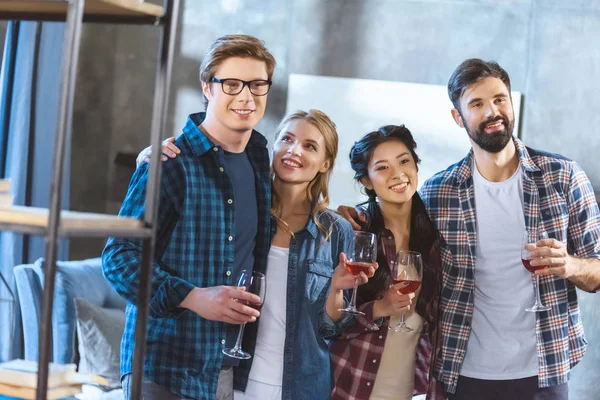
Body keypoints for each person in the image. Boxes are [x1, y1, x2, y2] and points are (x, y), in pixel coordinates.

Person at [337, 59, 600, 400]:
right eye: (477, 104)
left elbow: (596, 270)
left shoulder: (563, 176)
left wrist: (571, 265)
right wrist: (344, 214)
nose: (492, 111)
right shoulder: (437, 191)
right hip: (462, 372)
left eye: (499, 99)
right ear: (458, 118)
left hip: (544, 369)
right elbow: (389, 213)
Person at [137, 109, 374, 399]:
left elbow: (330, 326)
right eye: (286, 139)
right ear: (273, 146)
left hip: (303, 386)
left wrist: (337, 289)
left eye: (309, 146)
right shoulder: (244, 209)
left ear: (325, 163)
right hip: (232, 380)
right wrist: (150, 159)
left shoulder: (336, 230)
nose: (293, 150)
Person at [102, 34, 276, 400]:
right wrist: (192, 296)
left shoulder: (261, 160)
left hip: (222, 368)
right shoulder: (169, 163)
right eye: (232, 84)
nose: (246, 96)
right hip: (163, 366)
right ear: (207, 88)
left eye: (257, 84)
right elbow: (118, 258)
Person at [324, 125, 445, 400]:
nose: (398, 174)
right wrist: (379, 308)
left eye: (404, 161)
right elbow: (326, 324)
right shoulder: (354, 233)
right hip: (350, 386)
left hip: (409, 391)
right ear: (367, 181)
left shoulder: (435, 237)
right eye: (382, 168)